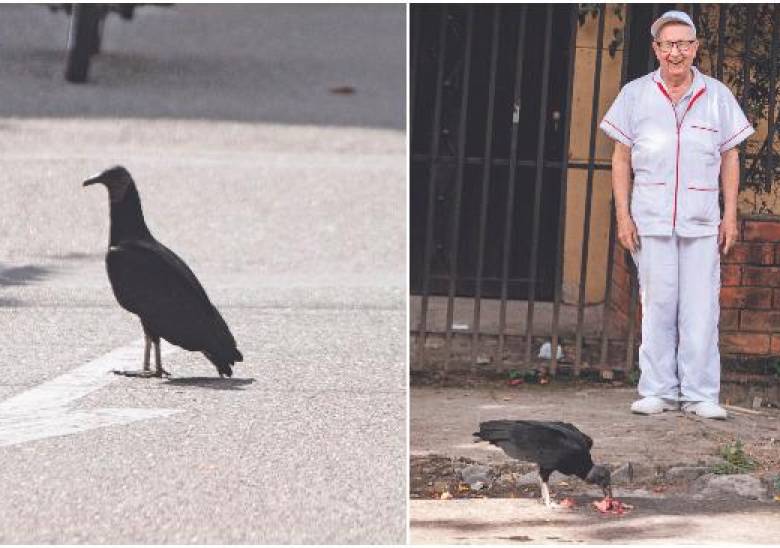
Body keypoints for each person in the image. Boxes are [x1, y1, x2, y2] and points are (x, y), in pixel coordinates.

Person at [599, 10, 754, 420]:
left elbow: (730, 156)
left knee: (701, 309)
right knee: (658, 306)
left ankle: (702, 393)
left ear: (695, 48)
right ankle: (658, 390)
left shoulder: (717, 95)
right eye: (668, 44)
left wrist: (730, 215)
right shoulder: (635, 94)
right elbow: (620, 158)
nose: (676, 52)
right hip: (649, 218)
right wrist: (623, 216)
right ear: (656, 49)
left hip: (702, 220)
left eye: (684, 44)